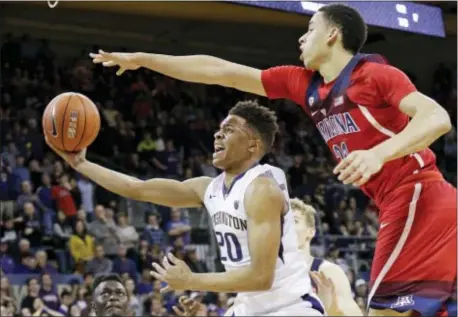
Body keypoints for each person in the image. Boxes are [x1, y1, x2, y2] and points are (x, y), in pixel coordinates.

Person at [89, 4, 457, 316]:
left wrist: (378, 154)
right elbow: (221, 72)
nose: (301, 38)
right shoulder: (304, 84)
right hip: (405, 205)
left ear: (332, 35)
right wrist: (144, 59)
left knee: (381, 311)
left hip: (418, 195)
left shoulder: (373, 74)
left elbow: (437, 118)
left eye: (310, 28)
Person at [47, 101, 324, 316]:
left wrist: (192, 279)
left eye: (229, 130)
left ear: (253, 144)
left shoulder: (261, 189)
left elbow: (262, 278)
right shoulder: (208, 188)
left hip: (290, 307)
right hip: (247, 308)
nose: (218, 134)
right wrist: (81, 165)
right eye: (219, 128)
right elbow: (137, 189)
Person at [291, 198, 362, 316]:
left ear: (311, 232)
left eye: (294, 221)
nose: (287, 227)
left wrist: (331, 308)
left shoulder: (328, 273)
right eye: (282, 222)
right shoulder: (267, 275)